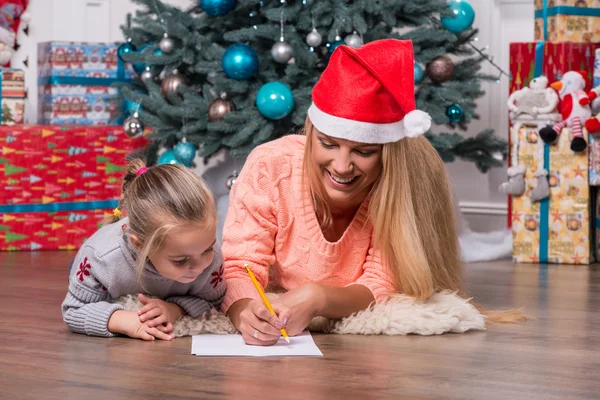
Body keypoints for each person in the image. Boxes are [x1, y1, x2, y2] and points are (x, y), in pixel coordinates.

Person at [221, 39, 522, 346]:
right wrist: (245, 312)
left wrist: (318, 297)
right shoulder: (270, 167)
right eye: (327, 144)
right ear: (312, 134)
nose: (341, 166)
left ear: (385, 154)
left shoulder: (400, 186)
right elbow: (240, 264)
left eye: (363, 151)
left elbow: (383, 282)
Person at [61, 159, 226, 340]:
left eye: (206, 250)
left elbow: (214, 301)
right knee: (79, 273)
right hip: (92, 265)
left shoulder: (209, 252)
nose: (199, 266)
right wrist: (121, 320)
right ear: (139, 246)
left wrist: (174, 308)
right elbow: (74, 309)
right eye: (180, 260)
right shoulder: (101, 258)